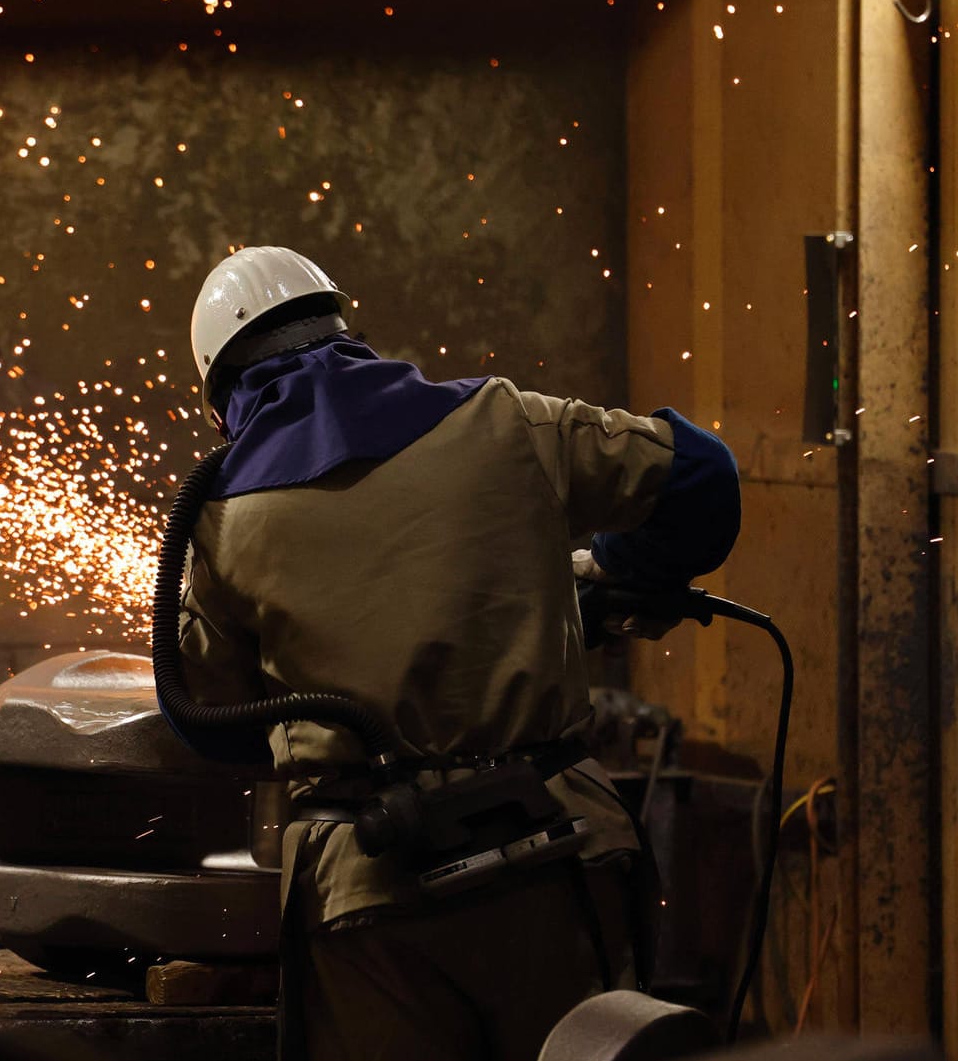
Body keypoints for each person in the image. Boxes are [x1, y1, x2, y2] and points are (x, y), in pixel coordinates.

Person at [173, 246, 740, 1061]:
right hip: (554, 856)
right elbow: (702, 480)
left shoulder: (224, 523)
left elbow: (211, 719)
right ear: (347, 334)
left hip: (373, 896)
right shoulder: (505, 419)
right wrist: (621, 574)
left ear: (225, 397)